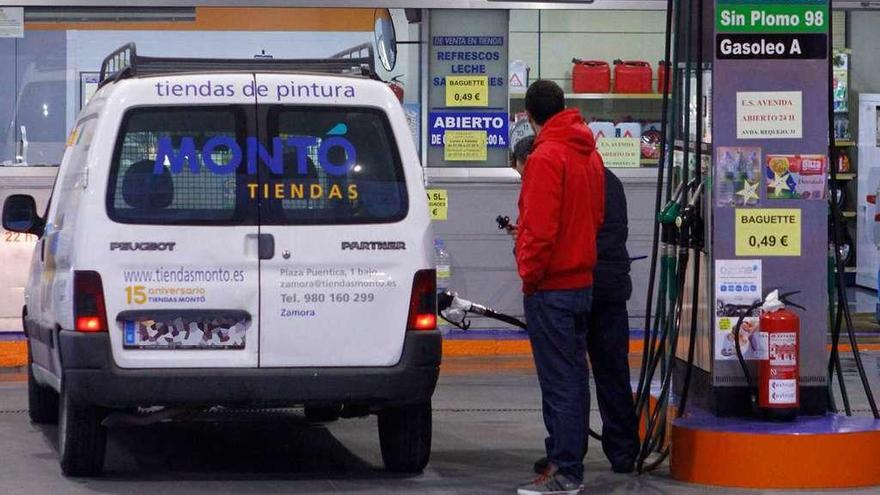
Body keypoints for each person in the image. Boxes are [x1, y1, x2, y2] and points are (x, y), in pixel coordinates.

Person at [511, 134, 640, 476]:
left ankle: (566, 452)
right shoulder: (606, 176)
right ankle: (623, 451)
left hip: (575, 286)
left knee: (569, 377)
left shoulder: (561, 176)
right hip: (612, 287)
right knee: (613, 371)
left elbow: (554, 233)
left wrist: (532, 269)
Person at [513, 80, 605, 495]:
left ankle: (566, 471)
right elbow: (597, 217)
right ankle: (563, 458)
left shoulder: (545, 156)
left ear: (529, 116)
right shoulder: (589, 154)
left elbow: (538, 229)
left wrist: (529, 277)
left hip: (551, 287)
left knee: (560, 381)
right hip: (583, 282)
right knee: (573, 377)